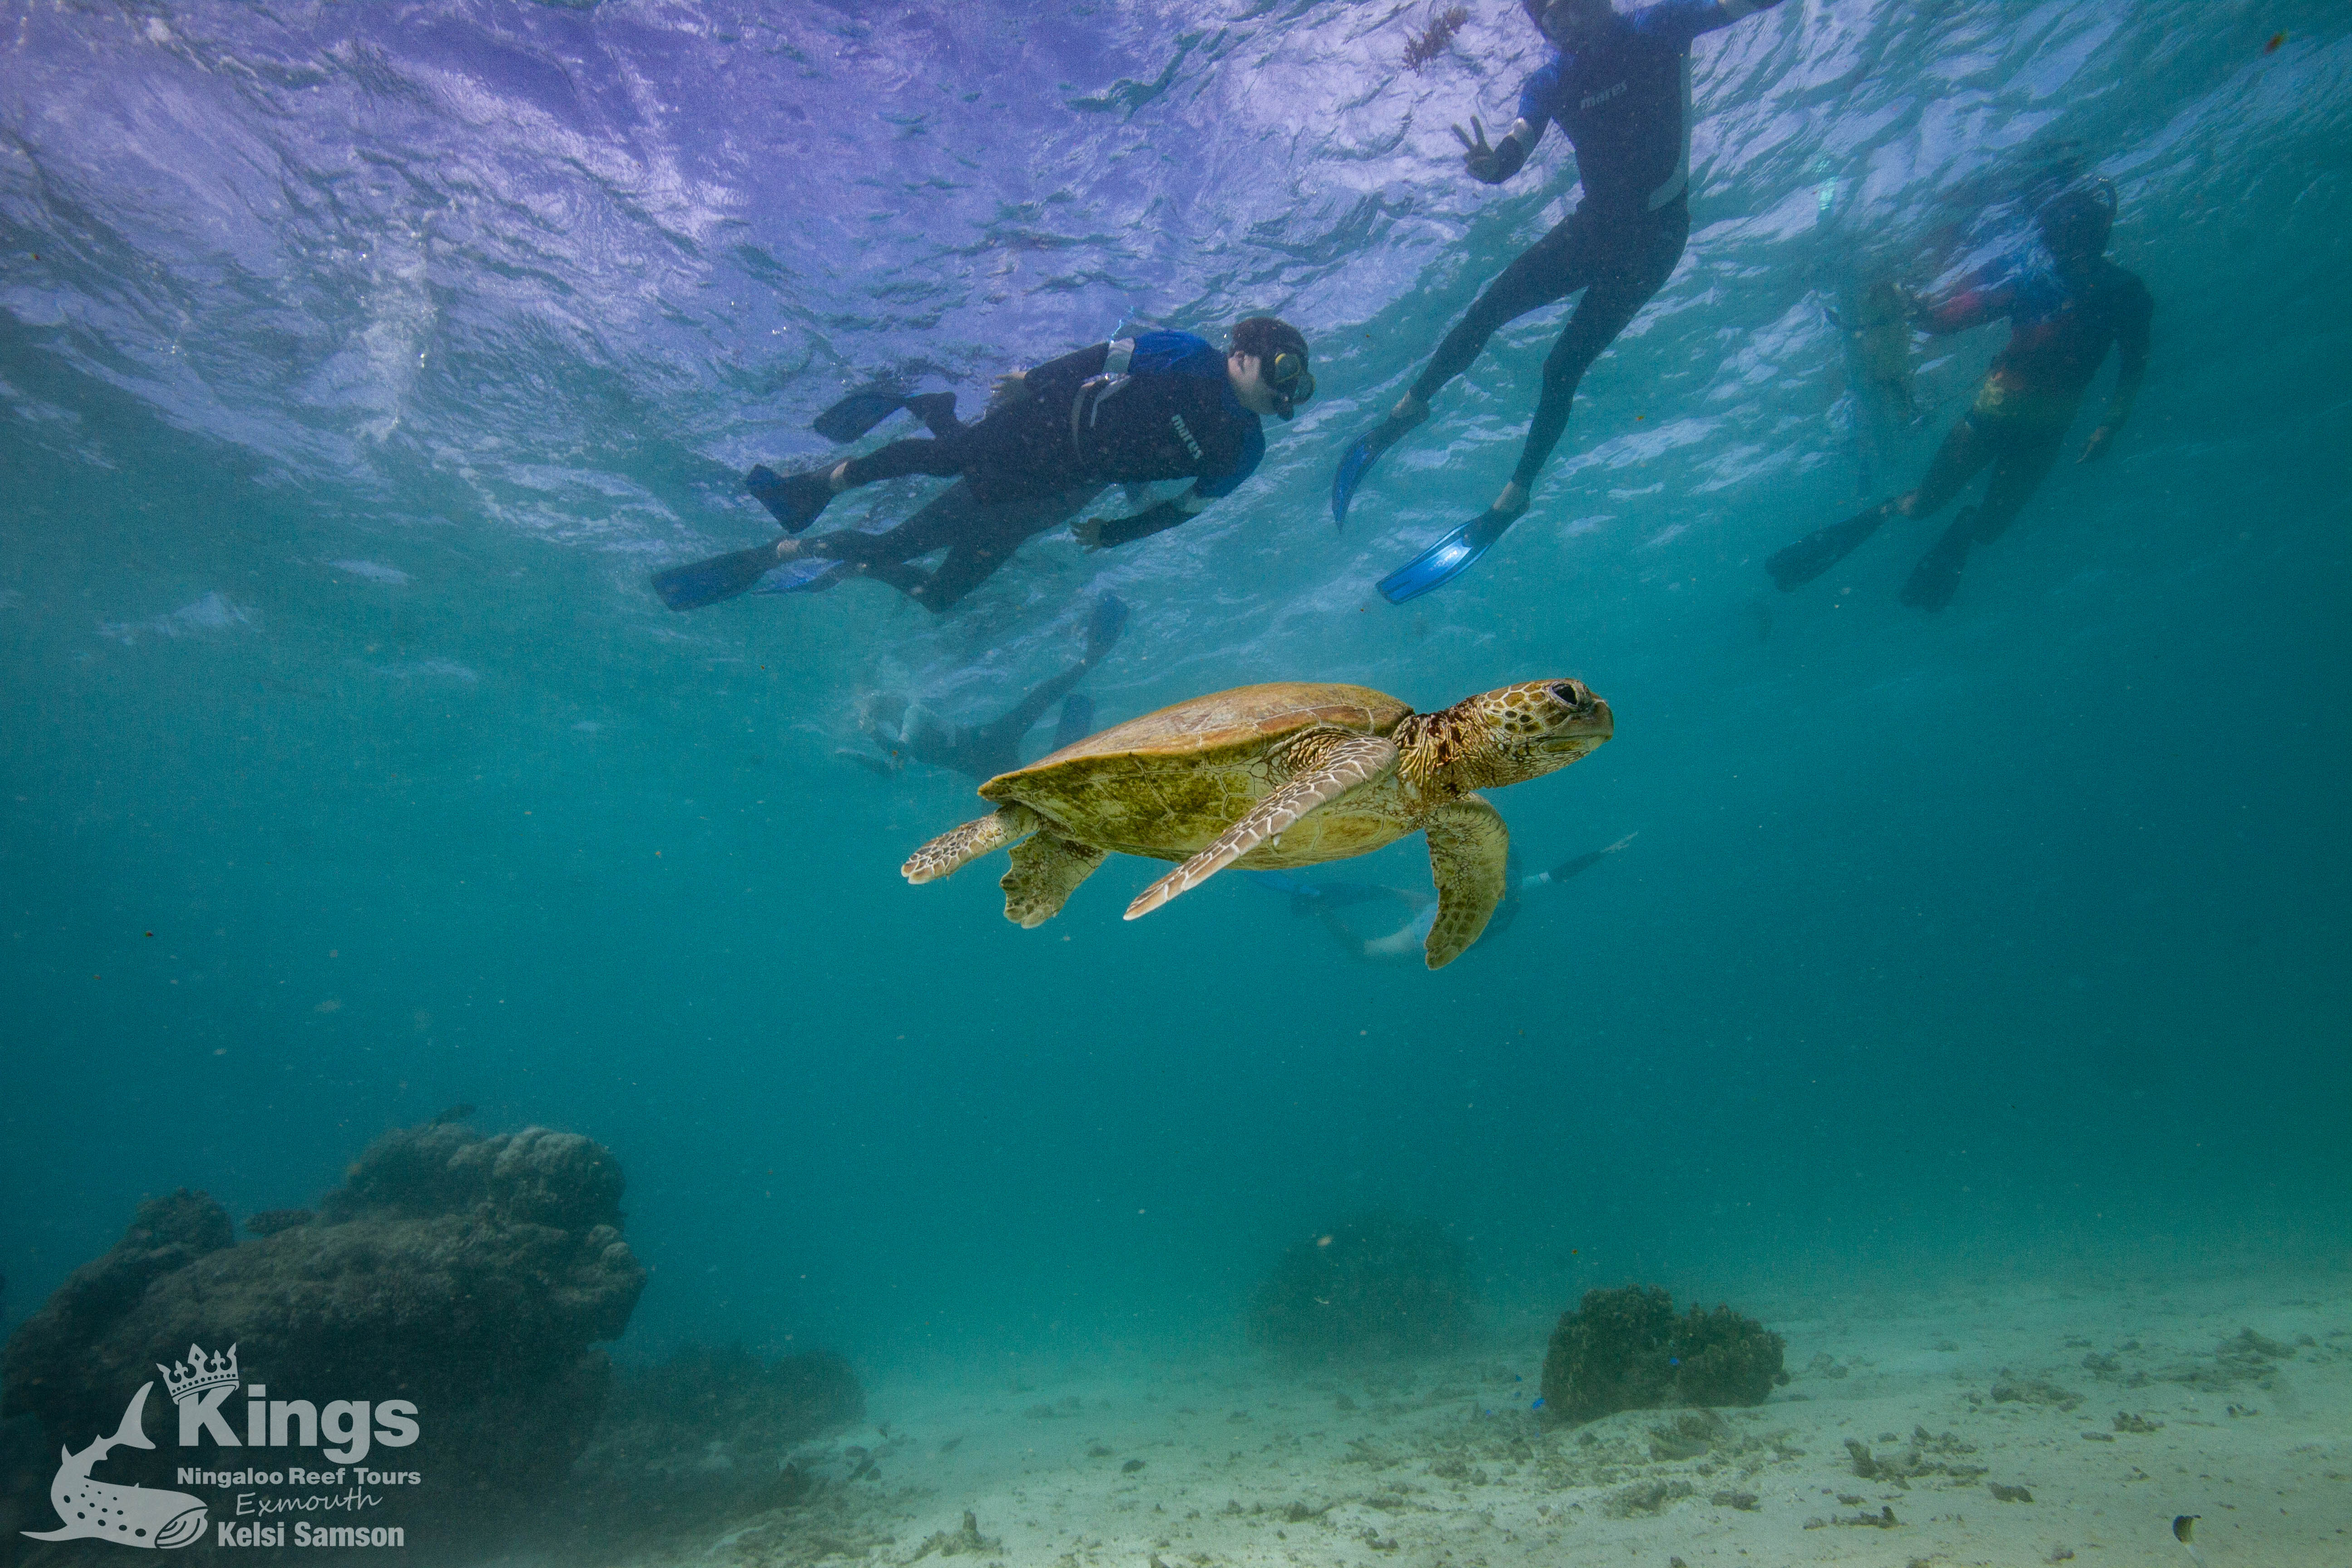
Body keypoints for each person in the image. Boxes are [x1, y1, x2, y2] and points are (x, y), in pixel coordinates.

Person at [1333, 0, 1788, 601]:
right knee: (1489, 308)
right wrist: (1490, 167)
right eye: (1543, 15)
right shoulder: (1550, 81)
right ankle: (1409, 409)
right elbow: (1513, 152)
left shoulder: (1658, 27)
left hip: (1655, 237)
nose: (1557, 20)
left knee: (1561, 367)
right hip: (1594, 229)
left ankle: (1514, 496)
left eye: (1564, 5)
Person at [654, 318, 1314, 613]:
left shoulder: (1244, 451)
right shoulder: (1191, 355)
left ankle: (927, 418)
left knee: (943, 584)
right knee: (951, 460)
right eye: (1285, 371)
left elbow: (1185, 509)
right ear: (1246, 353)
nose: (1287, 393)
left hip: (1067, 480)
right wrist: (1033, 382)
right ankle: (815, 489)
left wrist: (1113, 534)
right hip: (1051, 418)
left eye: (1298, 386)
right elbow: (1104, 357)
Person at [1766, 181, 2152, 610]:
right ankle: (1880, 515)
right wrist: (1911, 309)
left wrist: (2110, 425)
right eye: (2059, 232)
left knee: (1988, 531)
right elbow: (1947, 322)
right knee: (1922, 507)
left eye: (2073, 231)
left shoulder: (2124, 292)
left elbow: (2134, 362)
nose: (2065, 242)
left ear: (2096, 232)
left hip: (2037, 432)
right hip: (1993, 421)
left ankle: (1953, 525)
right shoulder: (2038, 285)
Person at [839, 594, 1128, 781]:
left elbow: (897, 755)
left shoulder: (913, 715)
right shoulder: (903, 736)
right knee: (1039, 709)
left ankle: (1091, 657)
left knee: (1038, 701)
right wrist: (857, 753)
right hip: (984, 760)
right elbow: (893, 765)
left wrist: (874, 734)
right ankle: (1085, 683)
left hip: (987, 744)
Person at [1255, 833, 1635, 961]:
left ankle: (1382, 894)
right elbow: (1365, 950)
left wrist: (1603, 853)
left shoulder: (1514, 890)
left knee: (1414, 903)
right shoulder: (1435, 921)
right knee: (1386, 931)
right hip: (1439, 923)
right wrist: (1325, 914)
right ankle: (1353, 899)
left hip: (1443, 920)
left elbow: (1560, 873)